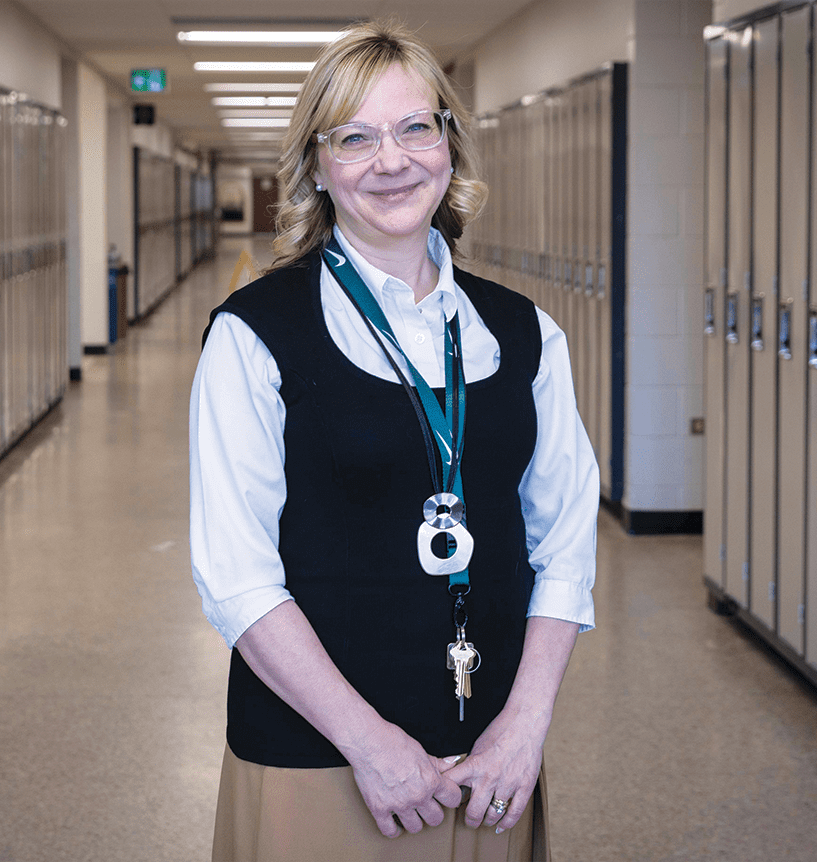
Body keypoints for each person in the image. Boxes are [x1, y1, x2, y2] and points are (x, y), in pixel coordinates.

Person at [189, 20, 598, 862]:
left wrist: (526, 725)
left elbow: (565, 544)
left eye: (417, 127)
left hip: (490, 764)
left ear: (450, 146)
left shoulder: (524, 336)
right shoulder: (255, 334)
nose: (392, 160)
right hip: (318, 758)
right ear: (315, 166)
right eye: (355, 138)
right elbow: (235, 576)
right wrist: (371, 745)